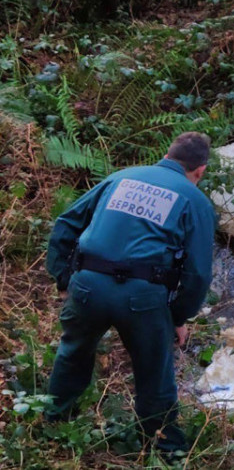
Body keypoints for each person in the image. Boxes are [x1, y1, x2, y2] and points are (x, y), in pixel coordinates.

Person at [44, 131, 217, 456]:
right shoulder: (195, 200)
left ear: (167, 154)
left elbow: (66, 223)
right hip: (142, 298)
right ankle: (168, 452)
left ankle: (53, 427)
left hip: (88, 286)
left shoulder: (120, 177)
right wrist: (178, 317)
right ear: (200, 171)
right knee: (155, 374)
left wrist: (64, 279)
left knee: (72, 354)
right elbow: (197, 274)